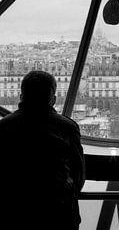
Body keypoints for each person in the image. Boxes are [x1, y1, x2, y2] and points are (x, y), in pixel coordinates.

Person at [0, 71, 85, 230]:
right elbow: (78, 175)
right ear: (53, 98)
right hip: (59, 213)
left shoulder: (4, 127)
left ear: (22, 96)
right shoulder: (68, 128)